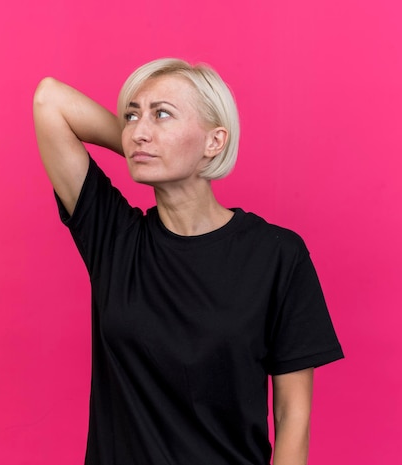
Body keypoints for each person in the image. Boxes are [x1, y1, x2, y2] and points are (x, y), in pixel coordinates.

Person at [33, 58, 343, 465]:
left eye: (162, 114)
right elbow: (49, 100)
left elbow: (291, 416)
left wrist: (169, 149)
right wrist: (140, 144)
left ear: (215, 141)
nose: (140, 130)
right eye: (132, 115)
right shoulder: (114, 239)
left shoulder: (278, 256)